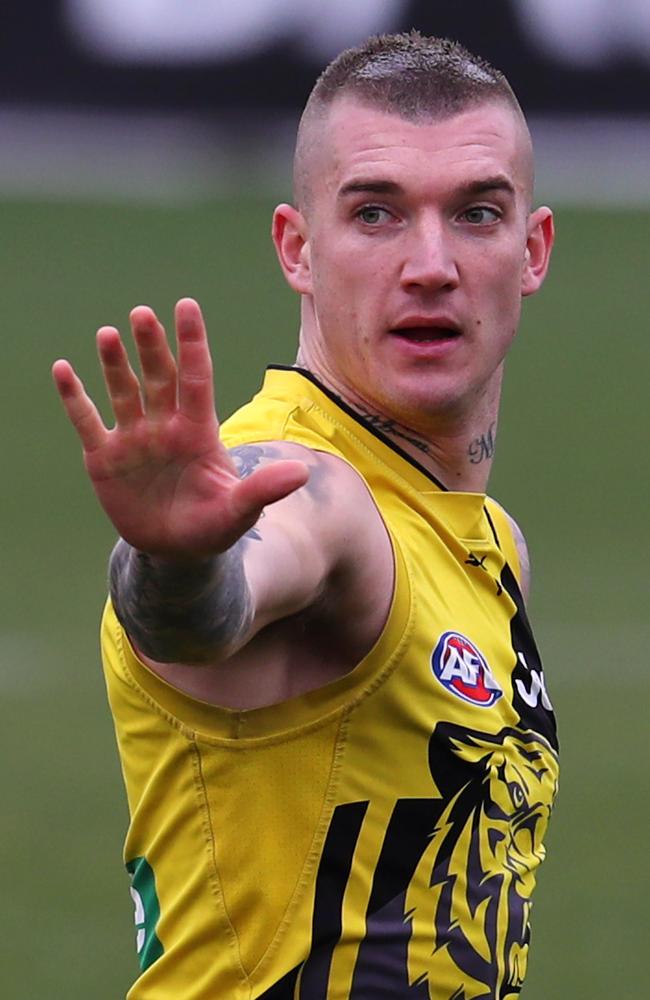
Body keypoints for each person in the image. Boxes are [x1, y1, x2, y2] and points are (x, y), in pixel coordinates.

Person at [53, 31, 559, 1000]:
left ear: (529, 250)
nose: (428, 263)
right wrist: (174, 559)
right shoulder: (309, 490)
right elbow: (219, 592)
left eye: (475, 213)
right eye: (374, 212)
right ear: (297, 246)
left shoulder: (490, 546)